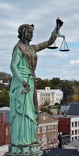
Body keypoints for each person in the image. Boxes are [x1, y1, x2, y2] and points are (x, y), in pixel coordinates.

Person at [9, 18, 63, 148]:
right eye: (29, 32)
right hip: (22, 83)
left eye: (32, 33)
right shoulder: (18, 48)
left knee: (33, 110)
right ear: (23, 33)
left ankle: (30, 138)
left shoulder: (33, 48)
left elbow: (49, 42)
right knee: (23, 111)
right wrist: (22, 81)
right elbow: (13, 66)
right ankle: (21, 140)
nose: (32, 35)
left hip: (31, 81)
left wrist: (57, 29)